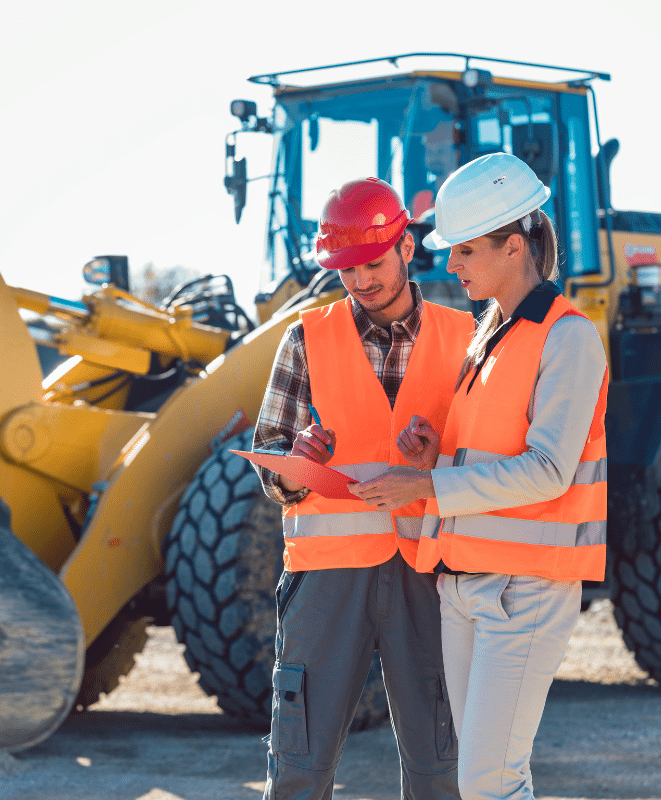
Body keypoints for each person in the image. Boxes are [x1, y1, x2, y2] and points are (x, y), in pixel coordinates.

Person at [349, 153, 608, 800]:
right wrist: (433, 452)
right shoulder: (488, 335)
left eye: (465, 251)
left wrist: (427, 487)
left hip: (524, 590)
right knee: (484, 778)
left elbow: (548, 469)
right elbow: (485, 453)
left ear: (513, 246)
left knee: (491, 781)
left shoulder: (568, 338)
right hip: (464, 583)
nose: (451, 264)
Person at [253, 176, 474, 800]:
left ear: (406, 247)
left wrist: (437, 462)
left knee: (442, 766)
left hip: (434, 570)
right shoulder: (305, 338)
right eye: (347, 269)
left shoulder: (469, 340)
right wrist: (292, 463)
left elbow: (491, 462)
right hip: (327, 577)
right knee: (298, 764)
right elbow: (270, 454)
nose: (361, 280)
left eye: (374, 262)